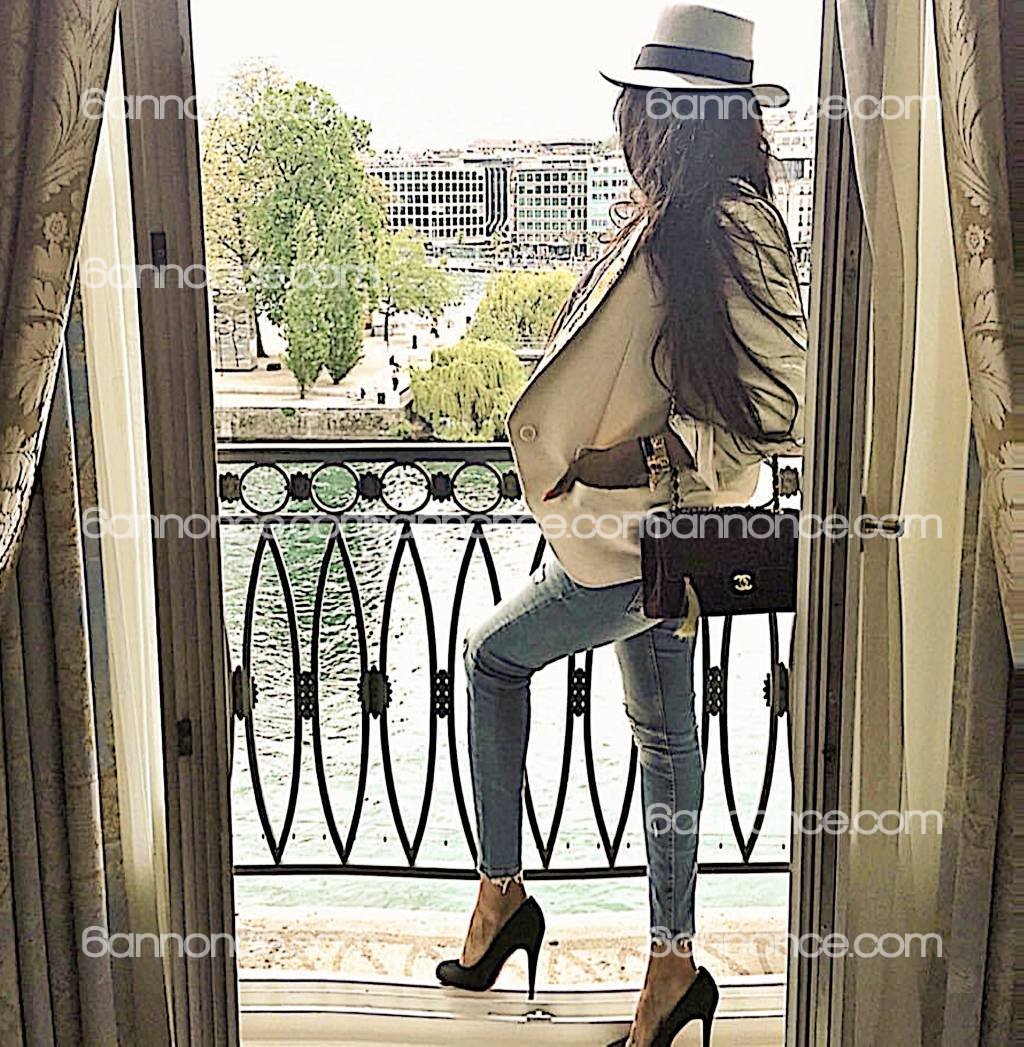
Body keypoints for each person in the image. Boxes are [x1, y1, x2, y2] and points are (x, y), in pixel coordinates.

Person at [435, 6, 806, 1045]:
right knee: (666, 737)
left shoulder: (730, 225)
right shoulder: (687, 218)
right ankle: (669, 968)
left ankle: (501, 897)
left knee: (491, 660)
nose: (628, 121)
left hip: (647, 533)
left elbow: (784, 400)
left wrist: (672, 452)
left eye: (640, 105)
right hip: (647, 534)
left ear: (667, 117)